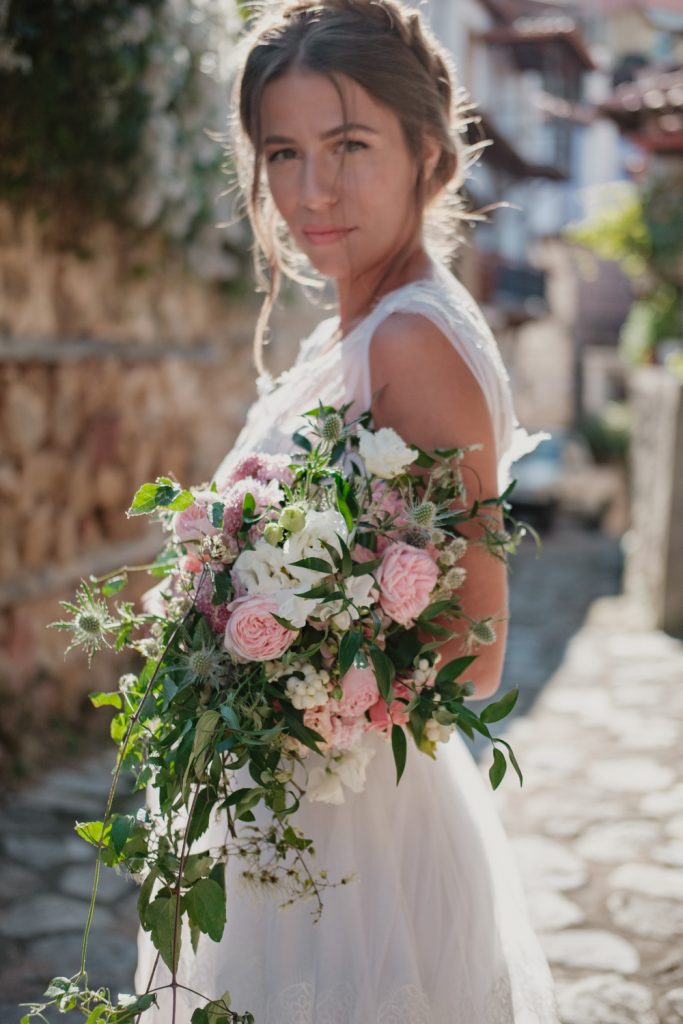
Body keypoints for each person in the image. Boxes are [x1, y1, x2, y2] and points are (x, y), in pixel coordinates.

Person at [135, 1, 559, 1020]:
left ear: (425, 150)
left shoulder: (409, 339)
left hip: (351, 844)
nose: (309, 191)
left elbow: (476, 646)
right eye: (282, 153)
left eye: (347, 146)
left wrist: (287, 670)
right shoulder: (363, 323)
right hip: (300, 819)